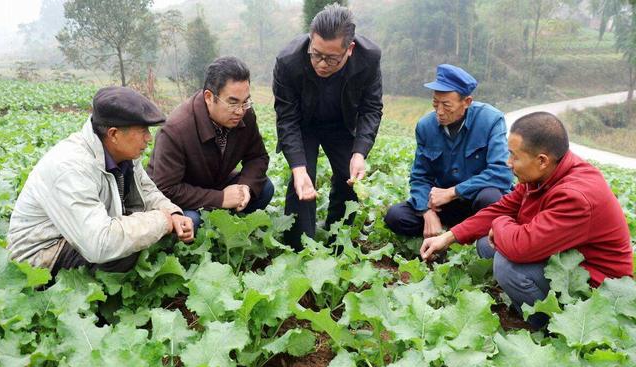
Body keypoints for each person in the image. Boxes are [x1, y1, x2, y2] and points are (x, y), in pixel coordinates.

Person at [420, 112, 633, 329]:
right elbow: (504, 207)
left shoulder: (576, 196)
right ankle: (532, 303)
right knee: (486, 245)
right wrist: (449, 236)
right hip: (569, 260)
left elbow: (521, 247)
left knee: (507, 265)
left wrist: (499, 224)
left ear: (541, 160)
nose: (508, 162)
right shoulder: (546, 172)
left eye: (514, 156)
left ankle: (550, 326)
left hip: (596, 290)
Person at [7, 87, 193, 273]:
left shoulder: (125, 154)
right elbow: (100, 243)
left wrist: (172, 214)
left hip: (81, 233)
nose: (149, 138)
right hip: (42, 255)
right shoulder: (70, 166)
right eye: (143, 130)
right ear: (114, 134)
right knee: (124, 251)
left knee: (147, 235)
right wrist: (161, 221)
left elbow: (147, 191)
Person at [273, 4, 383, 250]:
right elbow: (286, 117)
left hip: (341, 124)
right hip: (304, 124)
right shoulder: (288, 61)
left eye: (332, 58)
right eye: (316, 54)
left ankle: (337, 240)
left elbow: (371, 108)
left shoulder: (369, 59)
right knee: (302, 182)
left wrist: (359, 153)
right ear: (311, 41)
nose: (321, 64)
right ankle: (298, 247)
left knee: (349, 178)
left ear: (350, 49)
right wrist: (298, 169)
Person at [384, 64, 513, 239]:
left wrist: (454, 192)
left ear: (466, 102)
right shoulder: (425, 126)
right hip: (442, 206)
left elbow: (501, 173)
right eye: (435, 103)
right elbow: (420, 177)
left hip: (475, 202)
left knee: (491, 198)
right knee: (396, 216)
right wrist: (426, 211)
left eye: (446, 105)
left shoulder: (490, 120)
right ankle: (447, 232)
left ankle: (465, 236)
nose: (439, 112)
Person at [148, 56, 273, 230]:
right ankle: (216, 229)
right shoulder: (176, 129)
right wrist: (220, 198)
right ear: (208, 97)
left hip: (216, 182)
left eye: (245, 102)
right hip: (183, 197)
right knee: (193, 221)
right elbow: (165, 189)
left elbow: (257, 157)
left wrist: (245, 186)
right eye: (232, 102)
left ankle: (227, 230)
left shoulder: (245, 113)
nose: (240, 111)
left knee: (264, 188)